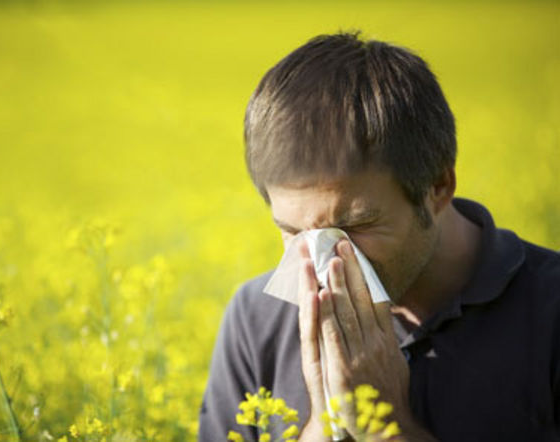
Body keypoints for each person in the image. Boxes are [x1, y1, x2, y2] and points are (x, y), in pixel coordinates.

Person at [198, 31, 560, 441]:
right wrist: (324, 425)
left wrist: (385, 428)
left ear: (438, 187)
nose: (325, 264)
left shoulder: (549, 313)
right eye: (292, 231)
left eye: (354, 226)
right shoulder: (255, 320)